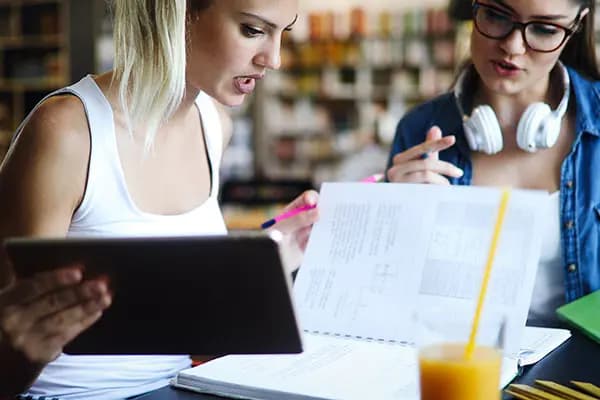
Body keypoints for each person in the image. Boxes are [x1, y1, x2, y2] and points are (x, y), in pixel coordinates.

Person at [0, 0, 317, 398]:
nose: (274, 60)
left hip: (181, 386)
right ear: (179, 14)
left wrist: (266, 263)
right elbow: (9, 349)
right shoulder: (66, 131)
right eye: (253, 31)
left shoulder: (214, 124)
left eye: (281, 33)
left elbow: (184, 323)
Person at [386, 0, 600, 323]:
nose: (512, 47)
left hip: (583, 368)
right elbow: (391, 300)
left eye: (545, 29)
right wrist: (391, 222)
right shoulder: (419, 131)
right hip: (463, 363)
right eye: (497, 15)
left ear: (576, 25)